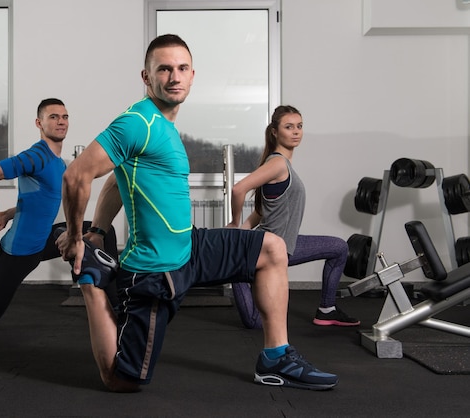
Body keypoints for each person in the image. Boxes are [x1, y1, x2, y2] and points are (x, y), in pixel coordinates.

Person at [55, 34, 338, 392]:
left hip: (189, 244)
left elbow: (117, 180)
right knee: (122, 380)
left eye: (181, 68)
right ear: (146, 77)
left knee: (271, 248)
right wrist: (80, 240)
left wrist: (97, 229)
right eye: (164, 69)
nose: (174, 76)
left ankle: (276, 358)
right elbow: (76, 175)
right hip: (156, 269)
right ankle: (92, 281)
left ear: (192, 75)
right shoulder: (137, 122)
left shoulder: (164, 125)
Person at [0, 98, 117, 328]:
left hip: (44, 241)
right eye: (53, 117)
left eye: (65, 117)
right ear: (39, 123)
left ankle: (114, 304)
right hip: (19, 252)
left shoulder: (59, 164)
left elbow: (39, 200)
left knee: (102, 230)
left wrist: (7, 213)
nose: (61, 122)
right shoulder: (35, 156)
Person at [226, 105, 359, 329]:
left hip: (285, 245)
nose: (296, 131)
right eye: (289, 127)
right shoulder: (277, 163)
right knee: (256, 323)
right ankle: (238, 265)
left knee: (338, 248)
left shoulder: (281, 164)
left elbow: (262, 210)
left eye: (299, 126)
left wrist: (244, 229)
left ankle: (327, 310)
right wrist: (234, 223)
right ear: (275, 132)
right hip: (270, 247)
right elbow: (239, 189)